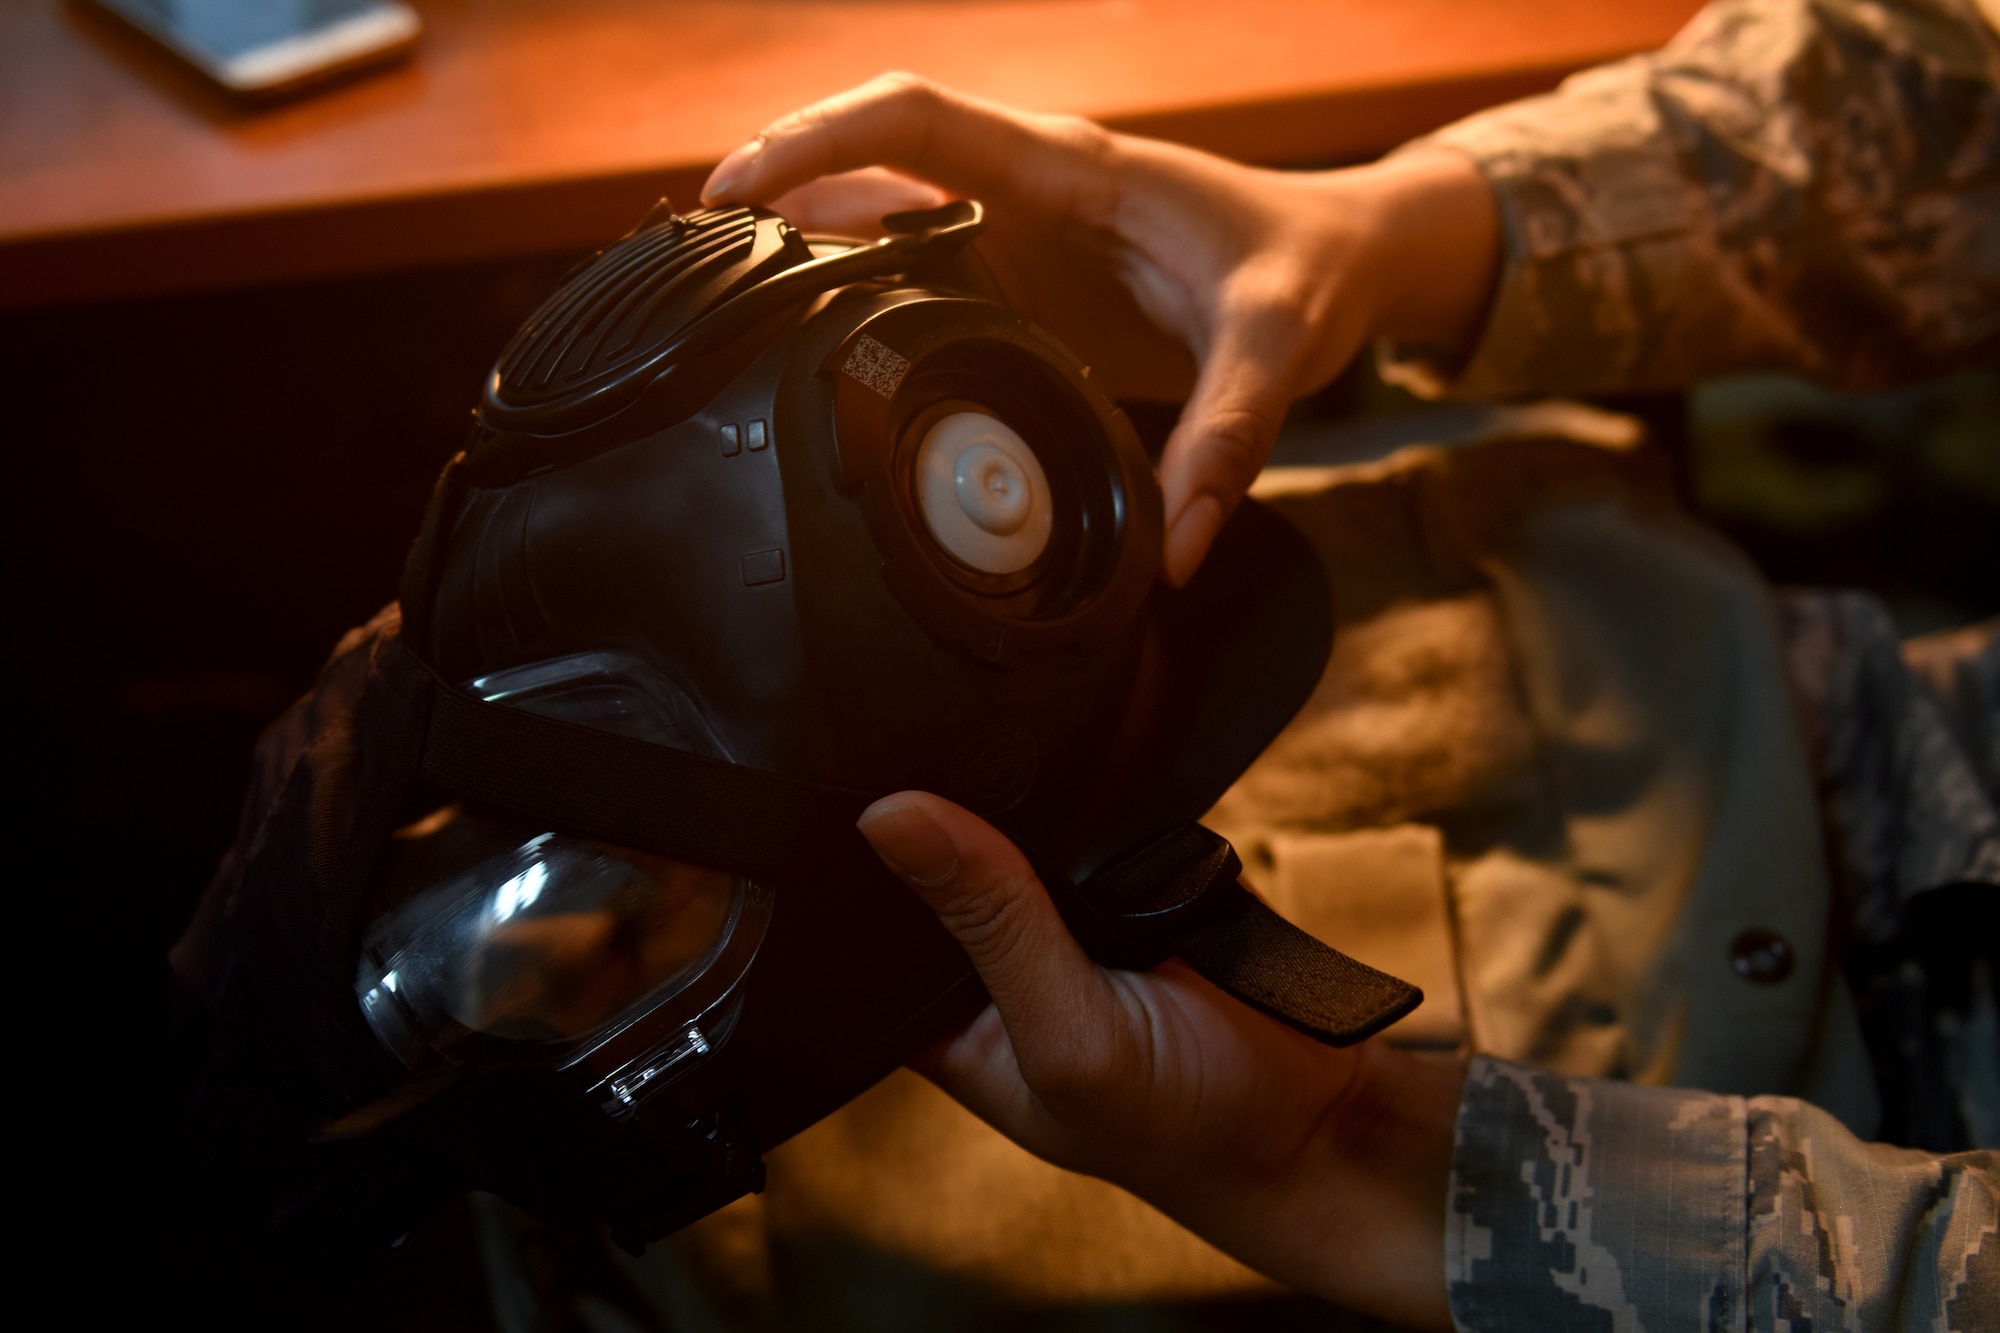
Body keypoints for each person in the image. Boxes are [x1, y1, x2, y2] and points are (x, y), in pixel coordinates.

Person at [692, 0, 2000, 1326]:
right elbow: (1956, 86)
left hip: (1800, 1125)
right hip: (1817, 695)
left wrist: (1354, 1155)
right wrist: (1392, 234)